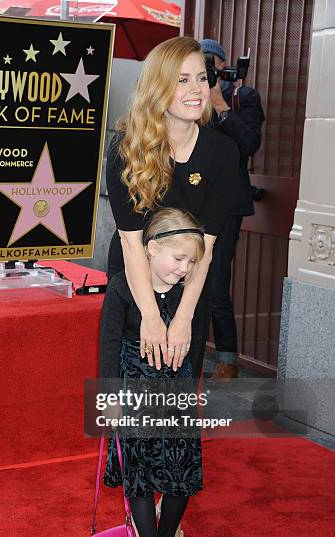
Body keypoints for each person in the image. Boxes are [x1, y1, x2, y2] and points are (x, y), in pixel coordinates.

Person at [106, 36, 239, 383]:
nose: (197, 88)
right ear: (158, 86)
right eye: (182, 79)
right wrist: (150, 314)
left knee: (176, 399)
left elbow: (206, 247)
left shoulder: (222, 153)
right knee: (132, 392)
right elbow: (131, 242)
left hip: (189, 284)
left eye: (201, 77)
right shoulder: (126, 148)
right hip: (134, 281)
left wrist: (183, 320)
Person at [100, 207, 205, 537]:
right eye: (179, 259)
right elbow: (108, 347)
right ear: (151, 248)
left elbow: (191, 348)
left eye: (191, 262)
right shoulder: (122, 287)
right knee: (140, 478)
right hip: (134, 392)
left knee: (183, 474)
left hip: (175, 390)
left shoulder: (186, 294)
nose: (184, 269)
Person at [199, 39, 265, 382]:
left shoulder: (244, 98)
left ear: (224, 66)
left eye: (209, 64)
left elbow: (249, 143)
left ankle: (227, 358)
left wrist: (220, 105)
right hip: (190, 201)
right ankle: (187, 354)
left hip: (226, 206)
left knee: (215, 283)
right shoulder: (187, 97)